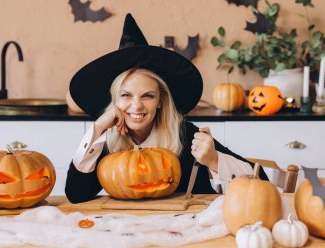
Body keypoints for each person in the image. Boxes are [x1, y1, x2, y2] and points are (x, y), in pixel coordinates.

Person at [65, 13, 268, 203]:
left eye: (148, 96)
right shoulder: (105, 142)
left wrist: (214, 160)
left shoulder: (185, 135)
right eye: (126, 95)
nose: (136, 106)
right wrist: (98, 128)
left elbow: (261, 183)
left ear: (161, 100)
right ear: (114, 100)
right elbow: (76, 194)